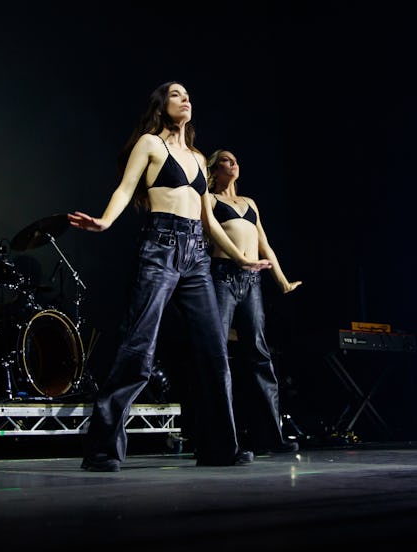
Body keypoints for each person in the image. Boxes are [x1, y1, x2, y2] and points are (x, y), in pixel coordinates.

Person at [67, 82, 271, 472]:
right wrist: (105, 221)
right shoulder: (149, 144)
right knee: (137, 349)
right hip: (159, 249)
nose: (186, 98)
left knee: (214, 353)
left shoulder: (196, 156)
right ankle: (102, 450)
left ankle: (219, 448)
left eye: (189, 94)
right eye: (177, 94)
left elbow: (209, 221)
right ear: (162, 105)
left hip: (196, 256)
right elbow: (126, 189)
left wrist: (242, 259)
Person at [205, 149, 302, 454]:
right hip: (223, 276)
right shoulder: (209, 200)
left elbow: (265, 244)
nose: (233, 163)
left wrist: (283, 281)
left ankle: (273, 436)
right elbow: (212, 233)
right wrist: (240, 260)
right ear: (214, 169)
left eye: (235, 160)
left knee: (259, 354)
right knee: (217, 355)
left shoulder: (250, 203)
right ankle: (222, 439)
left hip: (252, 282)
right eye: (225, 160)